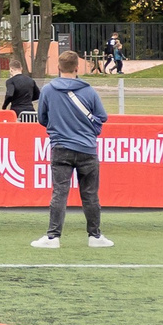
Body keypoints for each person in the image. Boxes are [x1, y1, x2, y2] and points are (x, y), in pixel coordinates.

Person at [32, 49, 112, 249]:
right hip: (87, 148)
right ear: (77, 67)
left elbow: (41, 118)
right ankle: (95, 236)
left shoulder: (49, 90)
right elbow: (102, 116)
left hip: (60, 147)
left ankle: (53, 237)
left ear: (58, 68)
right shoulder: (89, 91)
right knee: (90, 194)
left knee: (59, 192)